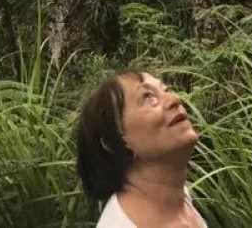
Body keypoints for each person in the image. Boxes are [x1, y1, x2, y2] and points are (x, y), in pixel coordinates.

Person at [75, 69, 206, 228]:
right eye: (147, 97)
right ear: (114, 141)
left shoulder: (179, 200)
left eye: (165, 90)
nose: (174, 99)